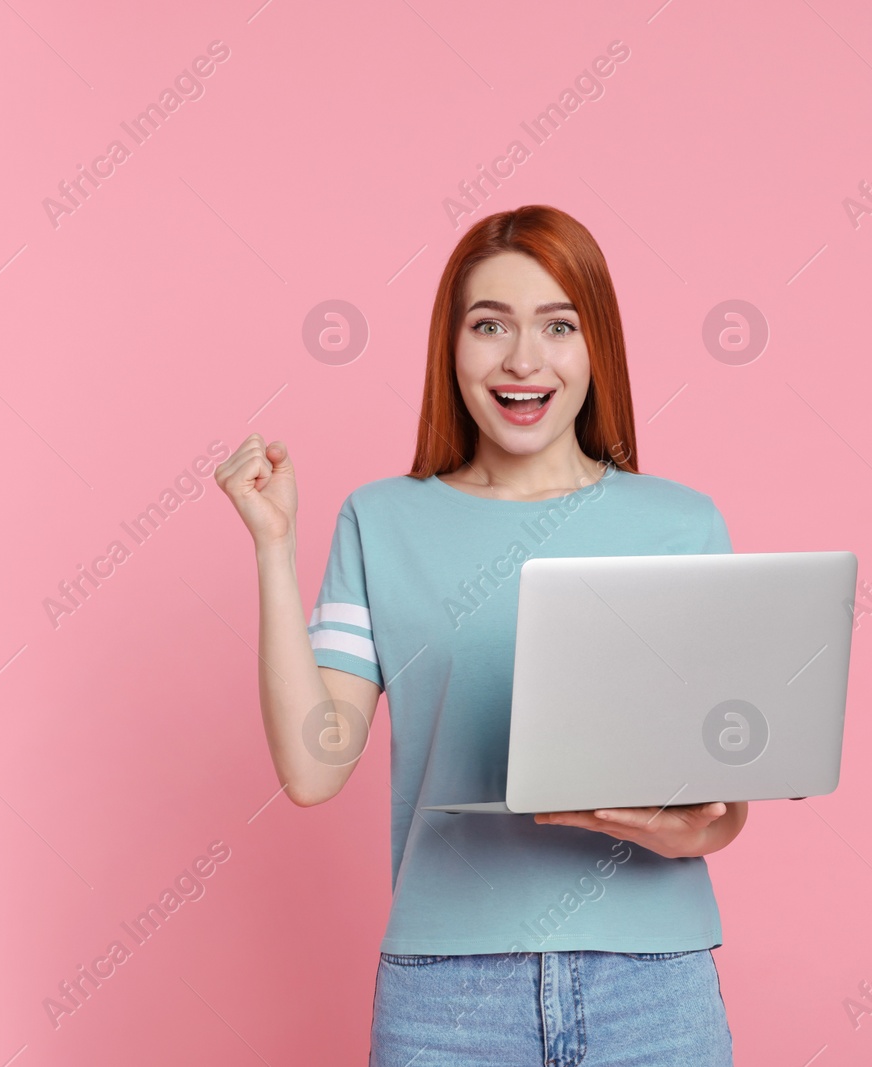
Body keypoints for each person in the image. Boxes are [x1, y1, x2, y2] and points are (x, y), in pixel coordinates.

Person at [215, 204, 745, 1065]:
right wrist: (275, 549)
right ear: (450, 346)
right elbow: (314, 767)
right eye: (489, 324)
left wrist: (678, 831)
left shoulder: (680, 525)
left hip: (652, 987)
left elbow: (724, 810)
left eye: (557, 325)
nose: (523, 360)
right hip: (448, 1001)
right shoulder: (380, 522)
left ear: (596, 346)